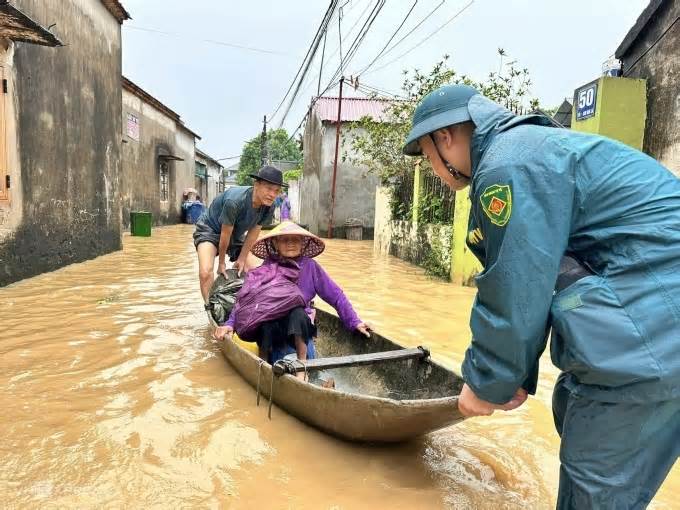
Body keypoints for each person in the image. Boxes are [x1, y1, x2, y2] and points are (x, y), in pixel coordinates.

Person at [403, 84, 680, 509]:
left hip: (649, 333)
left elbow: (515, 284)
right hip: (653, 325)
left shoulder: (505, 164)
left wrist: (487, 381)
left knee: (594, 479)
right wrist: (512, 378)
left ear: (446, 138)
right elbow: (540, 274)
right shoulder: (536, 148)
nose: (434, 170)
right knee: (571, 406)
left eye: (426, 155)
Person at [213, 221, 371, 377]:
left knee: (297, 312)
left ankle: (302, 368)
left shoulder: (310, 267)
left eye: (295, 239)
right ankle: (263, 364)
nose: (290, 244)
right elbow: (248, 299)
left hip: (299, 330)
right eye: (285, 240)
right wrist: (230, 324)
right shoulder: (268, 267)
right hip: (274, 333)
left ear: (303, 243)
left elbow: (336, 296)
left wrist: (355, 322)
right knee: (265, 319)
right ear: (275, 243)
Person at [193, 165, 283, 302]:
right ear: (256, 185)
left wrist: (241, 259)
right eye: (269, 188)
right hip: (209, 229)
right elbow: (224, 235)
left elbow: (253, 234)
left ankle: (246, 306)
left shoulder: (269, 206)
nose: (272, 194)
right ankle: (211, 309)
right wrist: (221, 263)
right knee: (205, 272)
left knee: (254, 271)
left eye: (276, 191)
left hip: (235, 234)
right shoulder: (234, 201)